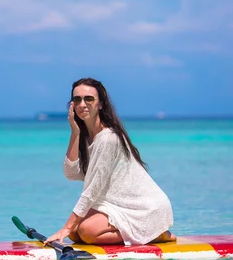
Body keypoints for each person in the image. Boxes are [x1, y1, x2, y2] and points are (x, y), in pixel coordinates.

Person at [44, 78, 176, 246]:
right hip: (115, 204)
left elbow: (92, 189)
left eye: (89, 99)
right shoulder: (87, 137)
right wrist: (75, 133)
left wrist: (65, 227)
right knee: (76, 234)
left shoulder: (108, 138)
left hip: (143, 207)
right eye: (77, 99)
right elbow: (71, 174)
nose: (82, 104)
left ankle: (155, 233)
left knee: (86, 232)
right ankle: (145, 232)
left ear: (100, 104)